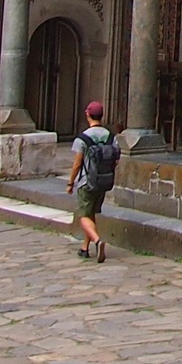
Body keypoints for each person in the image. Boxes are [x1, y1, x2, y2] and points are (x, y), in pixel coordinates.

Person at [66, 101, 119, 261]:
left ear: (87, 115)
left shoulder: (83, 138)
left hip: (86, 181)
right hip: (103, 181)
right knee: (91, 214)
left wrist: (70, 183)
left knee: (83, 215)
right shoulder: (111, 137)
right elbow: (115, 159)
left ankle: (97, 240)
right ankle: (85, 248)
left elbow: (77, 164)